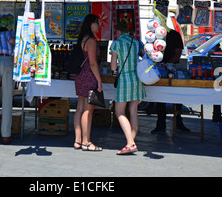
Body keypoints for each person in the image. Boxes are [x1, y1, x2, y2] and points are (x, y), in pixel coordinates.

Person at [110, 19, 146, 155]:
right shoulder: (137, 42)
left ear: (118, 31)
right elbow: (145, 57)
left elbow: (113, 67)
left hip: (124, 79)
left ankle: (130, 143)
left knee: (119, 112)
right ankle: (130, 142)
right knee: (133, 112)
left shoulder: (117, 43)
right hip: (137, 78)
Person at [151, 28, 190, 133]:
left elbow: (178, 52)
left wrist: (167, 63)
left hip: (171, 67)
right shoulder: (155, 34)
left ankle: (178, 121)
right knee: (160, 98)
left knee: (177, 97)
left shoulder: (174, 34)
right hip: (159, 68)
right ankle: (161, 123)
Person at [73, 14, 103, 152]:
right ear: (91, 24)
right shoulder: (91, 41)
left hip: (79, 76)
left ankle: (78, 140)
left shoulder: (82, 39)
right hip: (89, 76)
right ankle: (86, 142)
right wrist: (99, 80)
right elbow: (92, 63)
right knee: (88, 109)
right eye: (97, 22)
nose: (99, 25)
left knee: (80, 107)